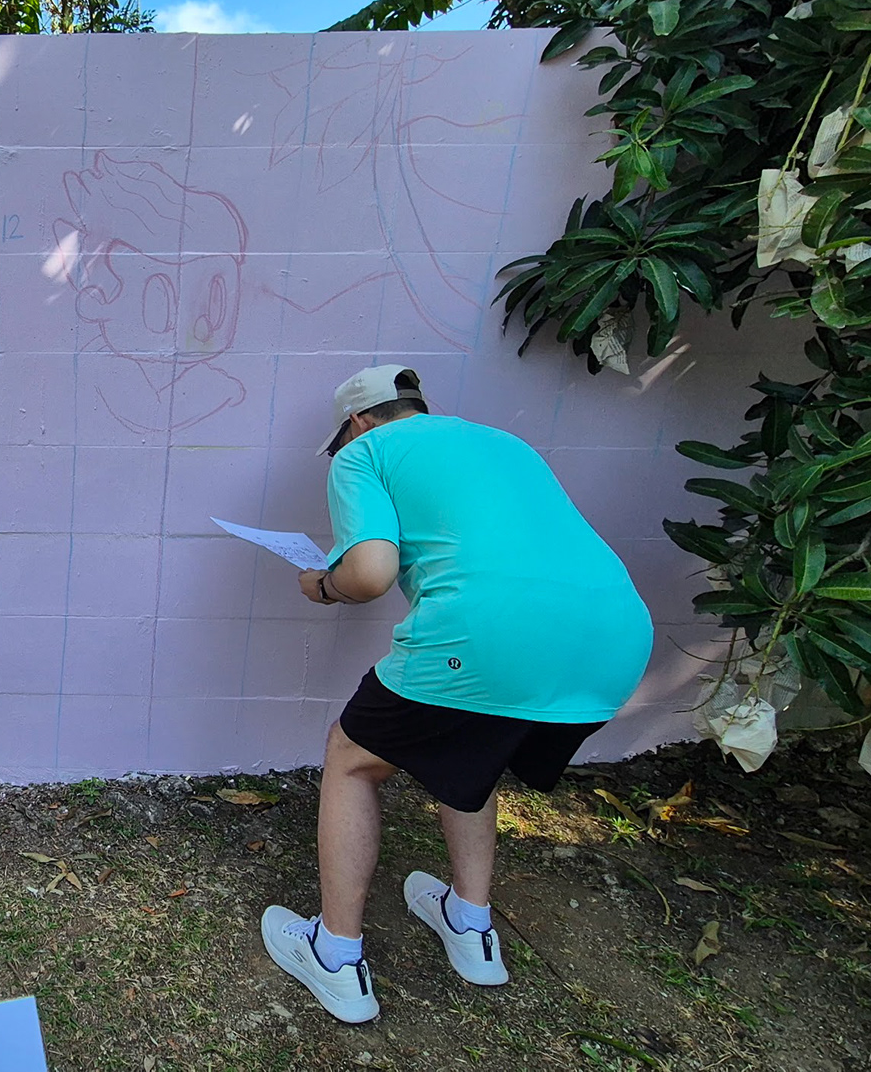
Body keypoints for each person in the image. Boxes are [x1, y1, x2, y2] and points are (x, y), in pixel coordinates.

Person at [260, 365, 653, 1023]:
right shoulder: (503, 442)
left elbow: (370, 573)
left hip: (489, 636)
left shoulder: (365, 451)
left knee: (353, 758)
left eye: (341, 441)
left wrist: (323, 585)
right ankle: (470, 927)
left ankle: (334, 955)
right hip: (616, 638)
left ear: (356, 423)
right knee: (474, 744)